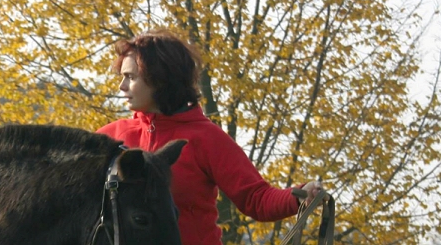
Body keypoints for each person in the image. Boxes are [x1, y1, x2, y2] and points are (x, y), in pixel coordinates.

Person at [95, 29, 325, 244]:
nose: (122, 86)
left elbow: (256, 198)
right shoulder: (109, 138)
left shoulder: (207, 138)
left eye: (131, 77)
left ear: (160, 79)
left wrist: (299, 196)